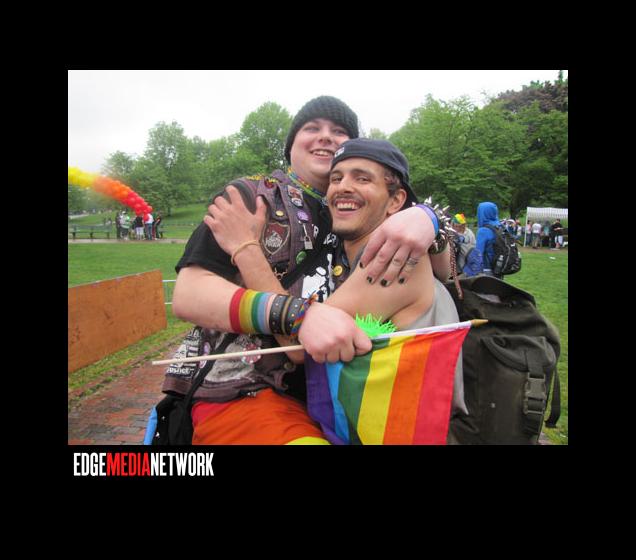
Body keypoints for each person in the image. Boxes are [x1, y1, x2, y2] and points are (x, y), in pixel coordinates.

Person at [165, 96, 447, 445]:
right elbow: (188, 293)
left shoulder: (357, 213)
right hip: (246, 393)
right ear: (291, 146)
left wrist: (430, 219)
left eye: (339, 131)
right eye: (312, 128)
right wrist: (296, 315)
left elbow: (444, 271)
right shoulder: (251, 196)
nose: (325, 136)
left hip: (332, 400)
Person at [461, 201, 502, 277]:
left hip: (486, 269)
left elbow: (478, 253)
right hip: (499, 266)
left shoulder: (483, 231)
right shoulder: (501, 227)